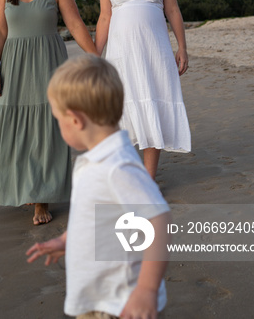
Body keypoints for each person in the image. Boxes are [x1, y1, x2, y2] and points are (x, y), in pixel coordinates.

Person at [27, 55, 170, 319]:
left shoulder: (118, 167)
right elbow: (91, 217)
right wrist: (66, 240)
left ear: (76, 120)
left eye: (58, 119)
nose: (58, 126)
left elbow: (157, 219)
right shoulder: (95, 160)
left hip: (121, 302)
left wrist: (147, 290)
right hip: (97, 294)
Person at [0, 0, 97, 225]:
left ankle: (41, 201)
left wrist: (96, 56)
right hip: (14, 66)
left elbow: (75, 24)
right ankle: (24, 188)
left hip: (48, 64)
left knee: (45, 129)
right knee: (14, 130)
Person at [95, 0, 191, 180]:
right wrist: (94, 55)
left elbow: (172, 9)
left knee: (152, 109)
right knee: (121, 112)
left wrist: (182, 47)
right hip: (121, 54)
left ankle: (148, 180)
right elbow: (105, 18)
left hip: (154, 53)